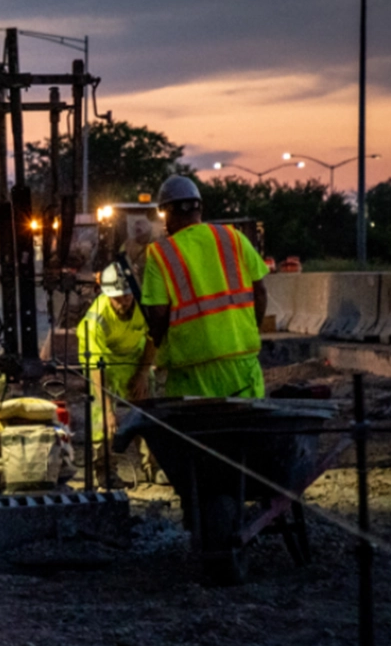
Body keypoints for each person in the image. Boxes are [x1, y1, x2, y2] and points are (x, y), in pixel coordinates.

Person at [140, 174, 271, 399]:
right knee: (248, 432)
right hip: (242, 364)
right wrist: (248, 329)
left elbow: (158, 315)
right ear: (198, 208)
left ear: (168, 211)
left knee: (194, 433)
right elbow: (260, 292)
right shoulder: (234, 237)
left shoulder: (161, 254)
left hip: (191, 373)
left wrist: (157, 345)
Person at [78, 263, 151, 454]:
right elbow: (96, 368)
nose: (122, 303)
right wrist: (108, 410)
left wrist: (142, 373)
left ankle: (153, 463)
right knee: (101, 412)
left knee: (147, 408)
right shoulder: (96, 321)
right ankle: (104, 466)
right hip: (102, 361)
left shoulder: (144, 306)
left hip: (132, 355)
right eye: (116, 299)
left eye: (126, 296)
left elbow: (153, 339)